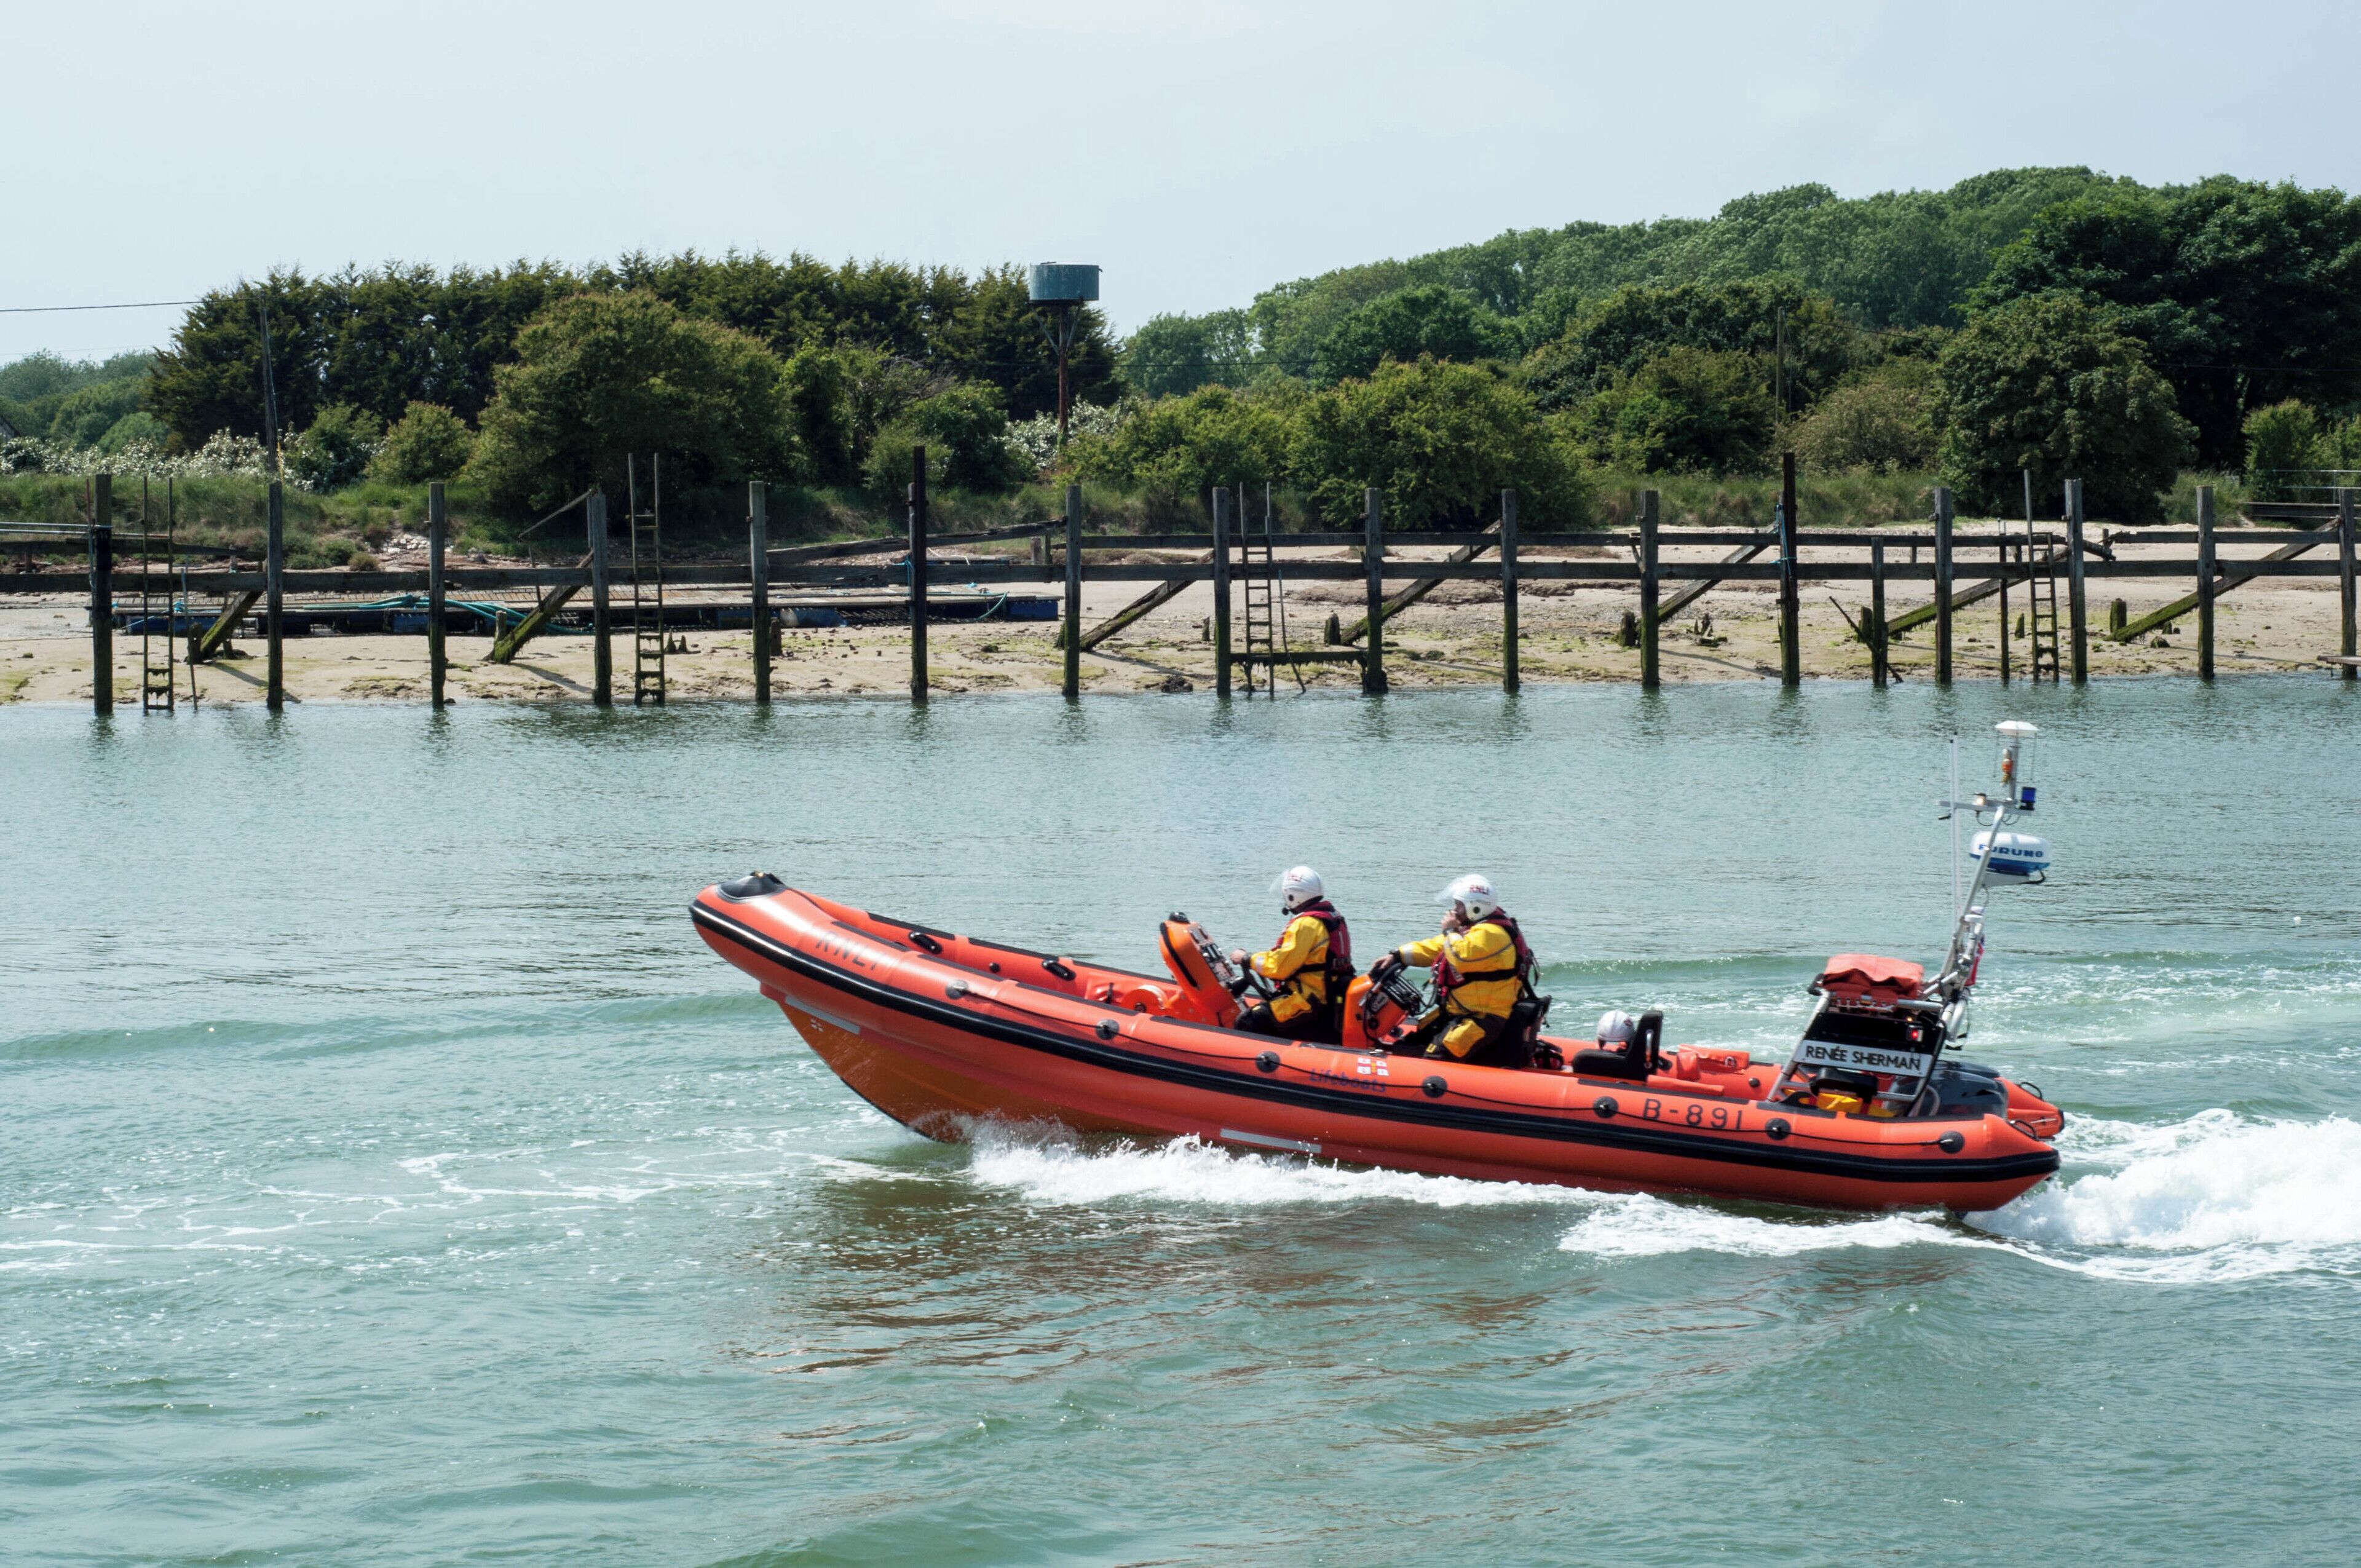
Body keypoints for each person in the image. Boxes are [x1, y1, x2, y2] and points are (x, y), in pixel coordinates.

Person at [1370, 873, 1536, 1066]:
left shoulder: (1492, 934)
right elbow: (1438, 947)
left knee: (1435, 1059)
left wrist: (1450, 931)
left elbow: (1460, 956)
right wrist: (1398, 955)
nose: (1454, 911)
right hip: (1460, 1012)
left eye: (1459, 906)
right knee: (1411, 1044)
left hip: (1483, 1018)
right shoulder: (1476, 929)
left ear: (1476, 908)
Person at [1228, 866, 1353, 1044]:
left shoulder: (1305, 925)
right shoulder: (1332, 917)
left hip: (1310, 1001)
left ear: (1293, 896)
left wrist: (1247, 958)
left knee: (1248, 1021)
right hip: (1329, 998)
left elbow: (1280, 967)